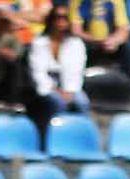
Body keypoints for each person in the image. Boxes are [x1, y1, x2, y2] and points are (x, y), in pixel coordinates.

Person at [27, 5, 90, 134]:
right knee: (57, 102)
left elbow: (76, 71)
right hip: (46, 87)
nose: (61, 21)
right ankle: (54, 138)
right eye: (57, 17)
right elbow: (37, 72)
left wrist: (69, 91)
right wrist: (56, 90)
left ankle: (79, 137)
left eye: (65, 18)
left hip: (70, 86)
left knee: (82, 102)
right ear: (51, 20)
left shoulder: (76, 44)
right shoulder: (39, 43)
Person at [72, 0, 130, 72]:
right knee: (75, 44)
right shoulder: (78, 2)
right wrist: (97, 40)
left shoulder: (116, 1)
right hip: (88, 44)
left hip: (111, 45)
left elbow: (124, 30)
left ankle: (129, 79)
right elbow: (76, 31)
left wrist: (114, 40)